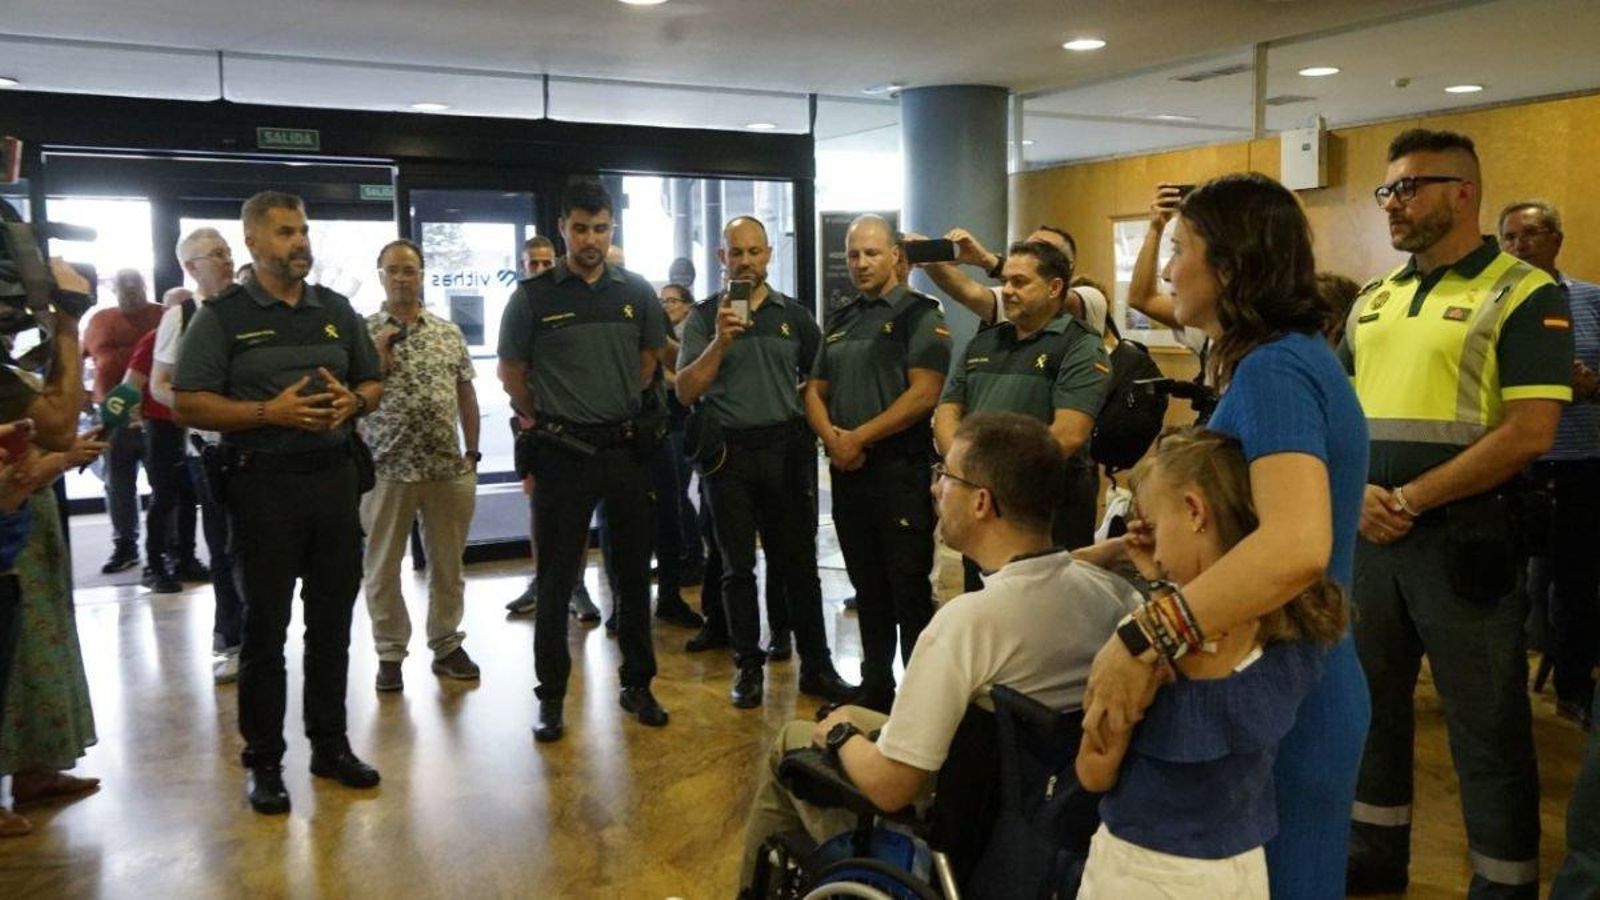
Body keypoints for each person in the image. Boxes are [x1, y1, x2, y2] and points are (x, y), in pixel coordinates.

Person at [1075, 172, 1370, 900]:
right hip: (1289, 678)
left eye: (1180, 250)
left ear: (1231, 268)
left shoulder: (1275, 372)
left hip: (1282, 691)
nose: (1168, 271)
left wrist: (1145, 637)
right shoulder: (1285, 358)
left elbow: (1296, 546)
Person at [738, 412, 1137, 889]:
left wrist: (841, 736)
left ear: (982, 502)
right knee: (855, 716)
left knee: (794, 740)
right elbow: (1048, 577)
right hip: (1043, 811)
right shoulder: (1115, 598)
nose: (934, 488)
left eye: (946, 475)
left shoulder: (965, 626)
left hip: (956, 828)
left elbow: (891, 786)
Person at [1339, 130, 1572, 898]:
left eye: (1409, 187)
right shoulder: (1373, 298)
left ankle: (1503, 883)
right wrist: (1357, 492)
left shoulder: (1523, 292)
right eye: (1387, 189)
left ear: (1462, 193)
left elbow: (1530, 432)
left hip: (1464, 544)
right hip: (1372, 542)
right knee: (1370, 710)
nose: (1392, 203)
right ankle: (1373, 859)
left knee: (1486, 726)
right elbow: (1340, 415)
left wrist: (1410, 498)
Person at [173, 190, 384, 815]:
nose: (300, 243)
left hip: (334, 482)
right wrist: (271, 412)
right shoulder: (223, 316)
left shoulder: (335, 309)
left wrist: (356, 402)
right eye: (287, 232)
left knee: (333, 624)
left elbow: (372, 379)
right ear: (254, 241)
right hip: (262, 488)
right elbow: (188, 402)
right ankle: (264, 761)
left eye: (304, 231)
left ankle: (330, 746)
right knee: (265, 630)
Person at [1077, 430, 1348, 898]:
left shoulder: (1145, 648)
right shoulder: (1293, 633)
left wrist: (1150, 595)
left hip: (1141, 872)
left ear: (1194, 511)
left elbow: (1094, 772)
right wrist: (1160, 581)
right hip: (1241, 870)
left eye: (1154, 527)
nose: (1154, 550)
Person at [496, 179, 668, 743]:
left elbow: (648, 362)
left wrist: (609, 402)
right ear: (562, 229)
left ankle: (638, 685)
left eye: (600, 229)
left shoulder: (636, 291)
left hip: (623, 450)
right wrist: (552, 414)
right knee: (555, 579)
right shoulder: (532, 297)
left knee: (632, 574)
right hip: (561, 454)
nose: (590, 239)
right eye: (580, 229)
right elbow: (512, 376)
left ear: (611, 228)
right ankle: (551, 697)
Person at [676, 216, 855, 708]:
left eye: (754, 251)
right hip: (727, 457)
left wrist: (824, 426)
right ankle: (748, 667)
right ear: (722, 258)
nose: (746, 261)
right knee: (736, 568)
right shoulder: (704, 317)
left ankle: (816, 667)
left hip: (785, 451)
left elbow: (820, 382)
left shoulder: (793, 315)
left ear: (769, 255)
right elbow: (685, 390)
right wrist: (721, 341)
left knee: (799, 565)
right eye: (736, 252)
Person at [804, 214, 951, 713]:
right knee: (867, 587)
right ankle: (875, 687)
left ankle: (920, 702)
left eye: (871, 253)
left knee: (907, 590)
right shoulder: (841, 320)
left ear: (895, 256)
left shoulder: (920, 314)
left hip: (898, 472)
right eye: (853, 254)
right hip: (849, 470)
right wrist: (833, 439)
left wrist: (858, 437)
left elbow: (924, 394)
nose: (861, 263)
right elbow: (814, 391)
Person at [933, 238, 1108, 591]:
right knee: (983, 607)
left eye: (1020, 282)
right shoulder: (984, 342)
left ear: (1054, 287)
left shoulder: (1080, 345)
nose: (1007, 291)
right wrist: (964, 472)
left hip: (1044, 514)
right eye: (1005, 281)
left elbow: (1069, 434)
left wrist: (991, 479)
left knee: (1045, 611)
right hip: (980, 508)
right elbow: (948, 409)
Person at [360, 239, 481, 693]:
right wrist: (376, 359)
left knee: (448, 566)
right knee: (382, 568)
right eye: (392, 270)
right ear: (380, 275)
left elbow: (466, 392)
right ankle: (390, 653)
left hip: (446, 468)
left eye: (409, 269)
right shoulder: (362, 332)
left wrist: (472, 454)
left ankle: (447, 644)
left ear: (422, 275)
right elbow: (349, 396)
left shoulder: (448, 332)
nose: (401, 278)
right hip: (385, 469)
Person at [1498, 199, 1600, 728]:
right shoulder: (1489, 301)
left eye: (1532, 234)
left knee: (1577, 585)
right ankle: (1501, 694)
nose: (1521, 246)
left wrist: (1592, 386)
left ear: (1557, 240)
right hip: (1510, 464)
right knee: (1503, 588)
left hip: (1581, 463)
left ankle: (1574, 689)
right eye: (1510, 237)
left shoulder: (1591, 299)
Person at [151, 227, 245, 683]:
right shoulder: (182, 316)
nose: (227, 260)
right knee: (224, 547)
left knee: (261, 547)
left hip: (257, 440)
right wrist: (203, 408)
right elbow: (158, 384)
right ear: (191, 267)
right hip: (210, 451)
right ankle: (230, 640)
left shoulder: (249, 309)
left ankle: (265, 637)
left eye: (228, 252)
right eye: (215, 255)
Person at [82, 268, 165, 574]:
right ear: (114, 288)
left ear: (145, 285)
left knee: (164, 485)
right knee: (117, 485)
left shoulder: (164, 316)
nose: (131, 289)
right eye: (124, 285)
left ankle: (165, 549)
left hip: (155, 417)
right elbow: (76, 358)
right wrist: (81, 395)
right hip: (112, 418)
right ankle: (125, 546)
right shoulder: (99, 320)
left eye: (135, 283)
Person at [121, 287, 198, 594]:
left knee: (188, 495)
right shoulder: (153, 339)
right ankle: (154, 565)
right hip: (161, 425)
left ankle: (185, 559)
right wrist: (131, 418)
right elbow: (131, 383)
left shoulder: (201, 336)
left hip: (190, 424)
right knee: (164, 496)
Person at [1128, 184, 1212, 362]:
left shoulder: (1264, 362)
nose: (1167, 274)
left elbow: (1144, 299)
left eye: (1179, 251)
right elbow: (1142, 299)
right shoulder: (1208, 328)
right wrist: (1155, 228)